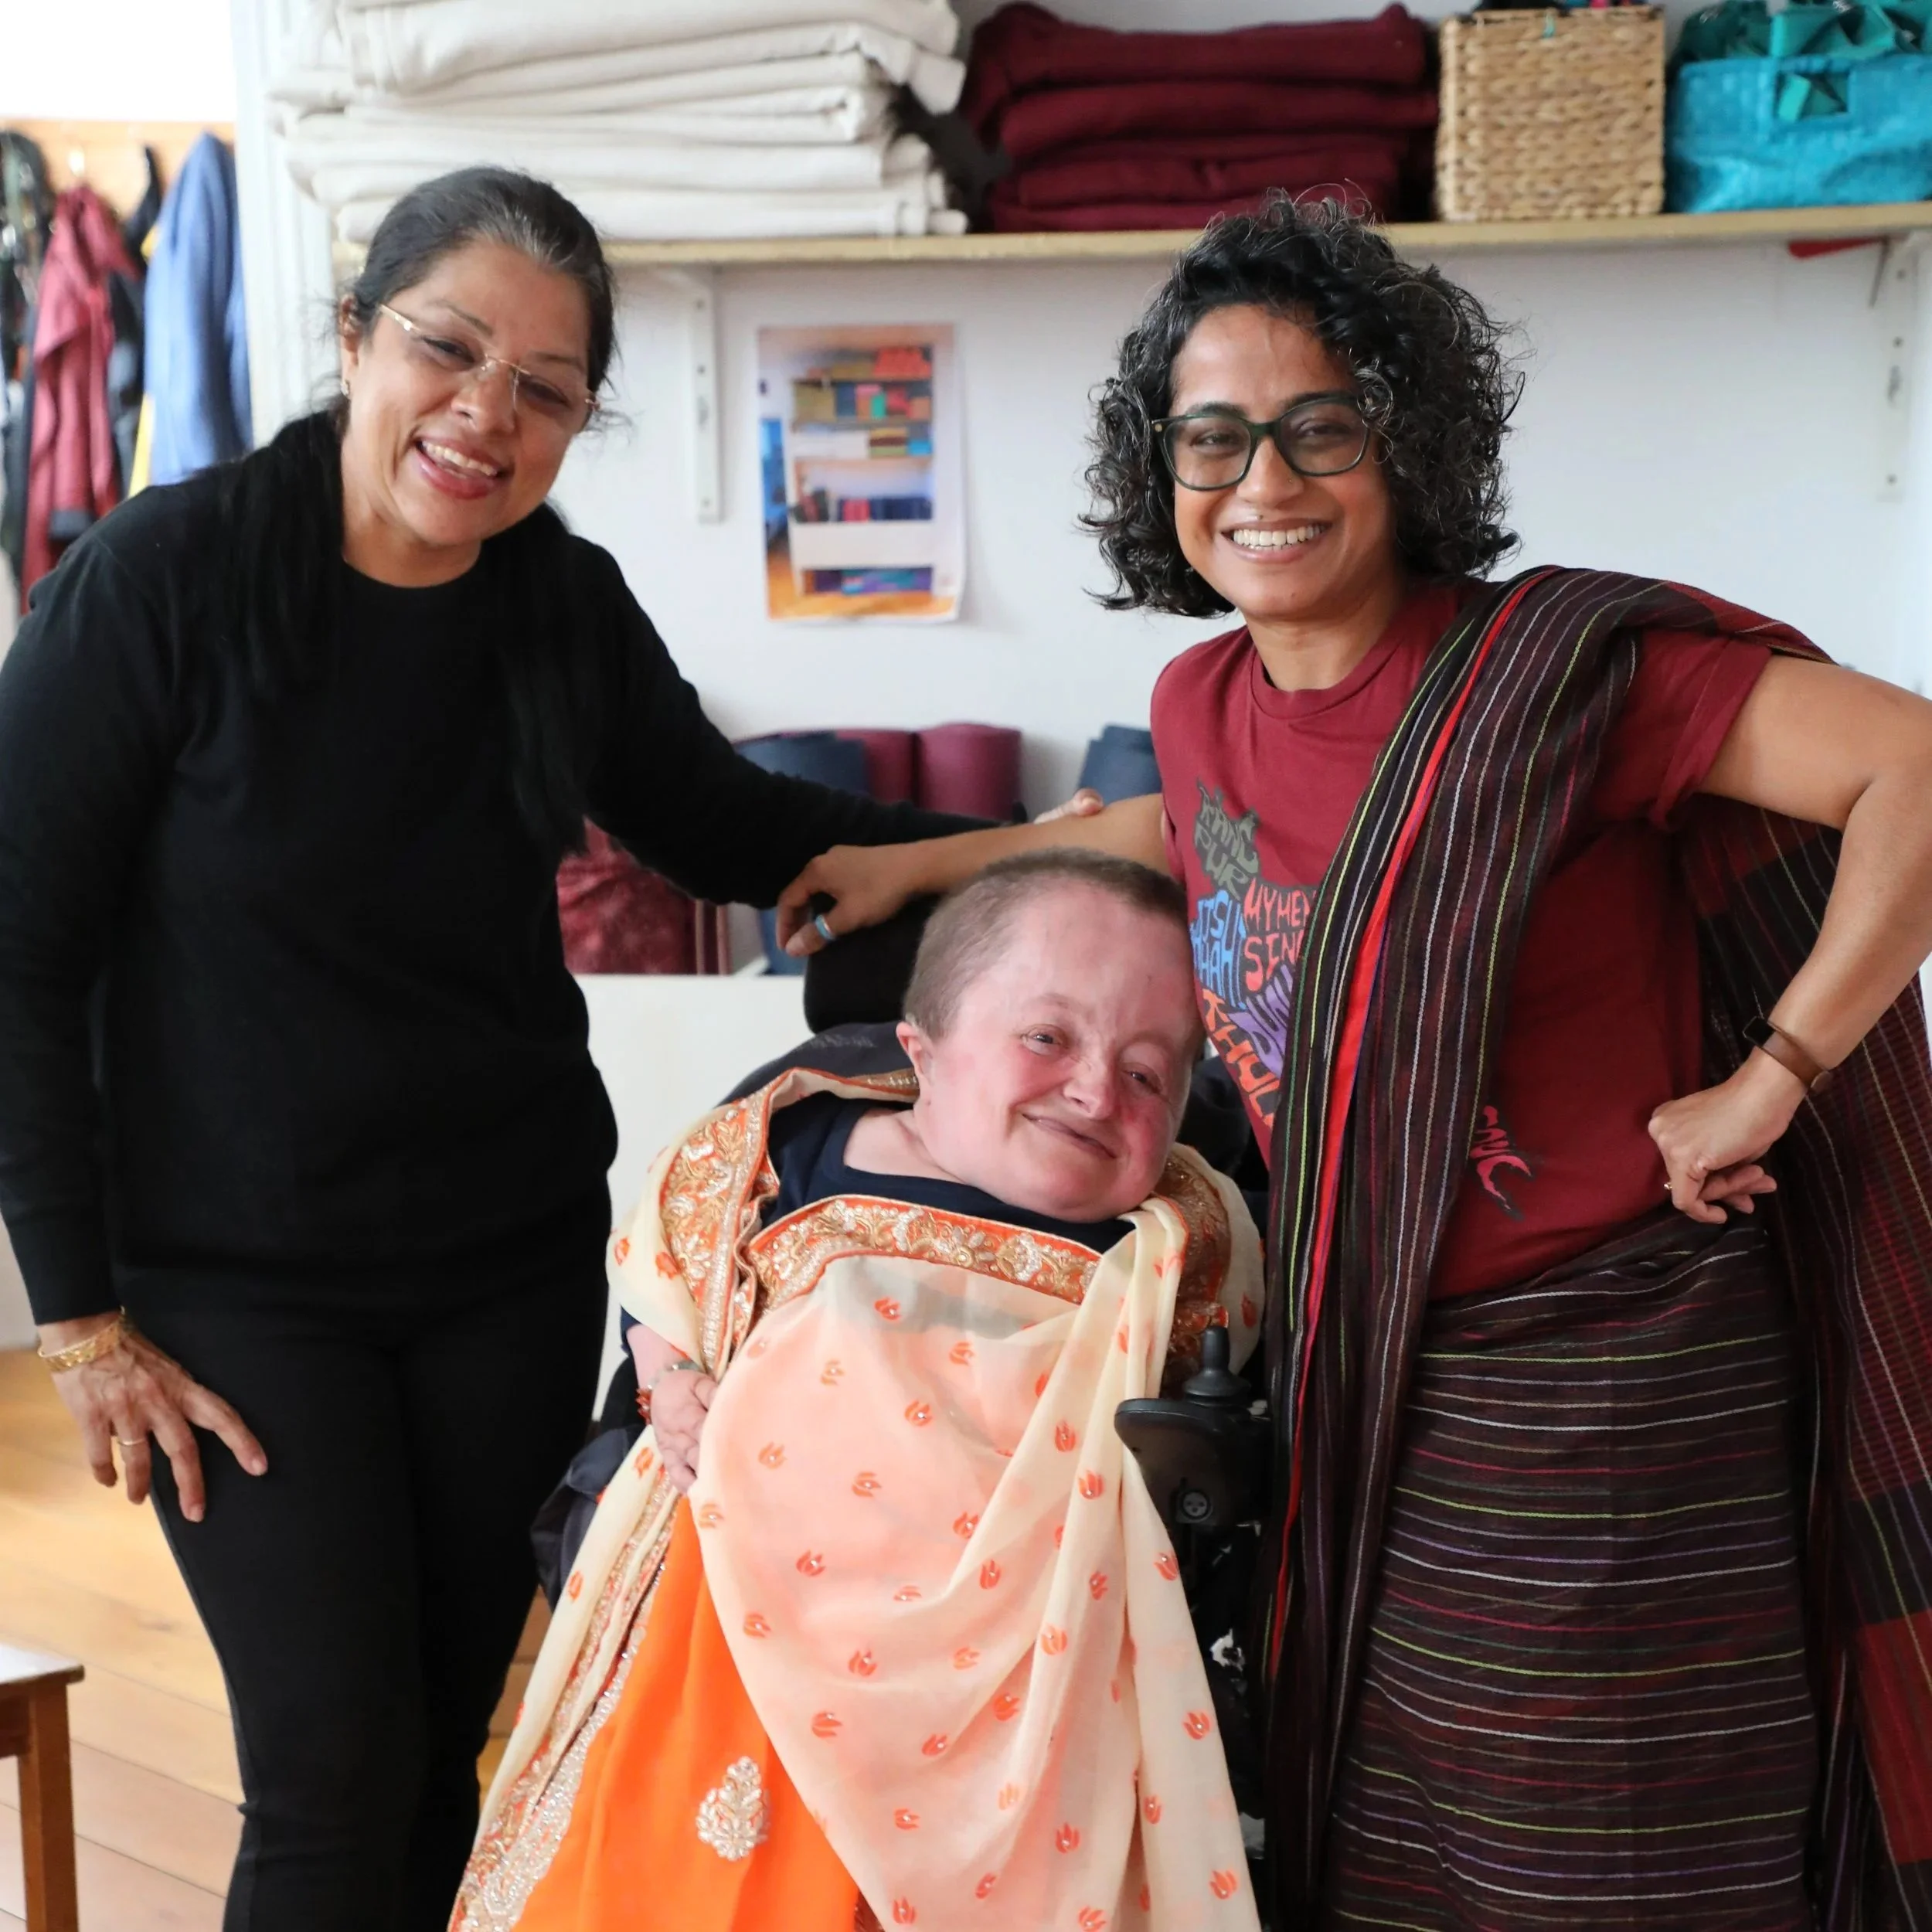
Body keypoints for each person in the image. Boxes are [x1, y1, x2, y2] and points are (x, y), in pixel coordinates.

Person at [775, 198, 1932, 1929]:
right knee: (1389, 1858)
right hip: (1367, 1380)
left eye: (1319, 425)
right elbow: (1204, 831)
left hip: (1608, 1394)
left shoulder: (1553, 681)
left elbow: (1908, 766)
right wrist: (930, 864)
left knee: (1614, 1861)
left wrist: (1773, 1068)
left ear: (1401, 446)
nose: (1265, 476)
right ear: (1158, 471)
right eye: (1213, 436)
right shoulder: (1195, 696)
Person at [0, 168, 988, 1932]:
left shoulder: (556, 604)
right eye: (447, 350)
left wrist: (1042, 844)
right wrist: (76, 1319)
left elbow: (741, 828)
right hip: (237, 1287)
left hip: (502, 1266)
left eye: (544, 387)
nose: (485, 414)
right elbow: (14, 942)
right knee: (331, 1768)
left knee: (455, 1744)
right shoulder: (169, 576)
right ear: (356, 336)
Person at [453, 850, 1265, 1932]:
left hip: (1014, 1690)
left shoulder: (1176, 1241)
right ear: (919, 1052)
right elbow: (661, 1265)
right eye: (1046, 1038)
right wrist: (668, 1373)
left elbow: (1224, 1377)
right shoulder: (783, 1151)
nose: (1094, 1088)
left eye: (1150, 1073)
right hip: (731, 1643)